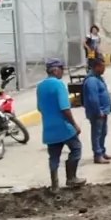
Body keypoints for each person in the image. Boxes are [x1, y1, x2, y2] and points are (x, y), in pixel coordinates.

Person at [37, 58, 84, 191]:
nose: (62, 72)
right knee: (76, 148)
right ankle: (71, 178)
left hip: (48, 129)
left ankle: (55, 185)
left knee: (53, 157)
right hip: (63, 127)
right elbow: (65, 108)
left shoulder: (40, 86)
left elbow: (40, 108)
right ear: (55, 70)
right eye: (61, 69)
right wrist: (74, 125)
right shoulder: (58, 85)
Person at [82, 55, 111, 164]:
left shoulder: (98, 78)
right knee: (97, 133)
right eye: (103, 67)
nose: (104, 69)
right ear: (97, 67)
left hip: (103, 112)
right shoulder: (91, 81)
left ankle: (102, 151)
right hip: (97, 113)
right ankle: (97, 155)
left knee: (103, 132)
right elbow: (93, 98)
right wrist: (98, 111)